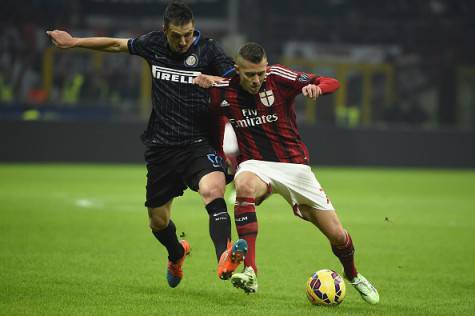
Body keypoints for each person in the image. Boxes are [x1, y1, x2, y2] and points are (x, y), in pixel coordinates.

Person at [46, 1, 247, 288]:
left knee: (212, 190)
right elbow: (116, 45)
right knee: (158, 221)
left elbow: (237, 84)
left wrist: (214, 81)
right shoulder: (153, 44)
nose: (183, 41)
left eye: (188, 34)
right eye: (177, 35)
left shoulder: (210, 49)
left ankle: (224, 256)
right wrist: (74, 41)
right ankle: (176, 253)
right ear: (165, 31)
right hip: (162, 146)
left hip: (198, 143)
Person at [207, 42, 379, 304]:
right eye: (250, 74)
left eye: (260, 73)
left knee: (337, 235)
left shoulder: (278, 77)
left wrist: (317, 88)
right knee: (244, 186)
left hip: (295, 167)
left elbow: (331, 81)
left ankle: (353, 275)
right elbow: (211, 118)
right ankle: (250, 270)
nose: (257, 80)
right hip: (256, 163)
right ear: (237, 70)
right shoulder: (223, 89)